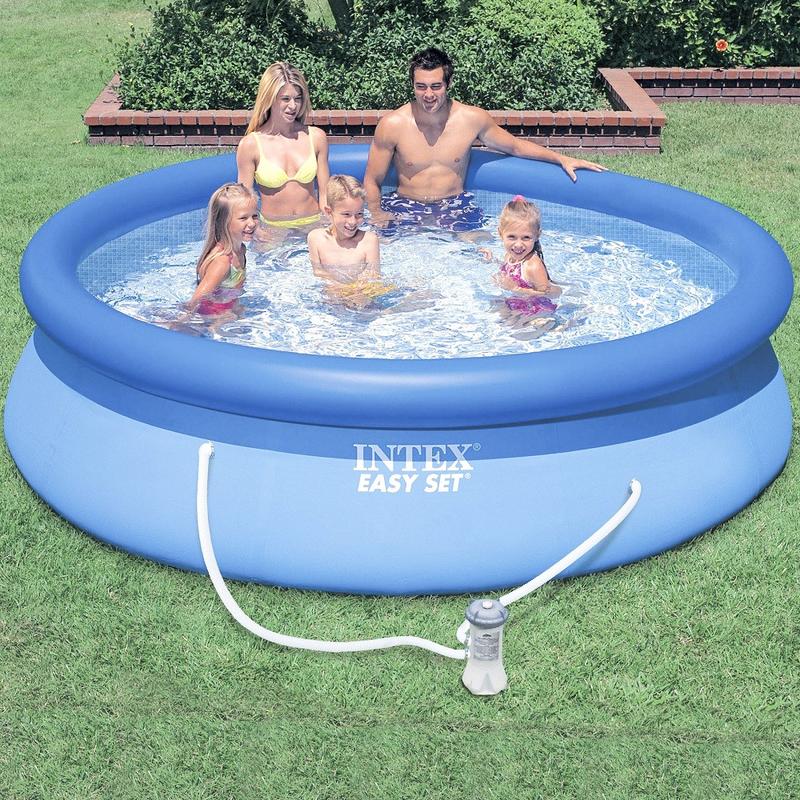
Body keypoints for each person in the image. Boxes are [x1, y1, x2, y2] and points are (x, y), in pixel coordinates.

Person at [364, 47, 606, 230]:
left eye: (436, 86)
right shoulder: (392, 125)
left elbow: (514, 147)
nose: (428, 94)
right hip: (406, 205)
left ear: (449, 83)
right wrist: (376, 214)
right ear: (412, 85)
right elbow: (372, 180)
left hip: (454, 205)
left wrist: (560, 158)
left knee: (483, 253)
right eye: (421, 86)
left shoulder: (471, 119)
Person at [236, 62, 330, 230]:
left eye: (298, 99)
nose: (293, 106)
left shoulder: (316, 137)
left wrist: (328, 228)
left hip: (313, 225)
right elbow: (243, 202)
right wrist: (258, 231)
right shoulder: (250, 145)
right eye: (285, 99)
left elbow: (325, 195)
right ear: (269, 99)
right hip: (272, 230)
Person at [307, 175, 394, 308]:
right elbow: (319, 273)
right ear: (329, 212)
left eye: (359, 214)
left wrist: (352, 293)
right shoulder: (316, 238)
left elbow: (372, 278)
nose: (353, 221)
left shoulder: (368, 241)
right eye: (346, 214)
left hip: (362, 298)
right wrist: (343, 291)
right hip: (332, 298)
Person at [187, 183, 258, 319]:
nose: (252, 223)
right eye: (243, 218)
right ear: (224, 222)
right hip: (212, 315)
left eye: (254, 216)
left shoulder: (241, 249)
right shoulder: (222, 261)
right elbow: (196, 300)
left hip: (229, 308)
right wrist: (179, 322)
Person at [482, 195, 558, 319]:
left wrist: (515, 288)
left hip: (536, 312)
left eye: (526, 238)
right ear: (500, 233)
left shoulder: (533, 266)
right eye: (512, 237)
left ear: (537, 235)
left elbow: (547, 294)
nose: (518, 245)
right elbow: (510, 269)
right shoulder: (510, 255)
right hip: (516, 304)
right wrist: (492, 261)